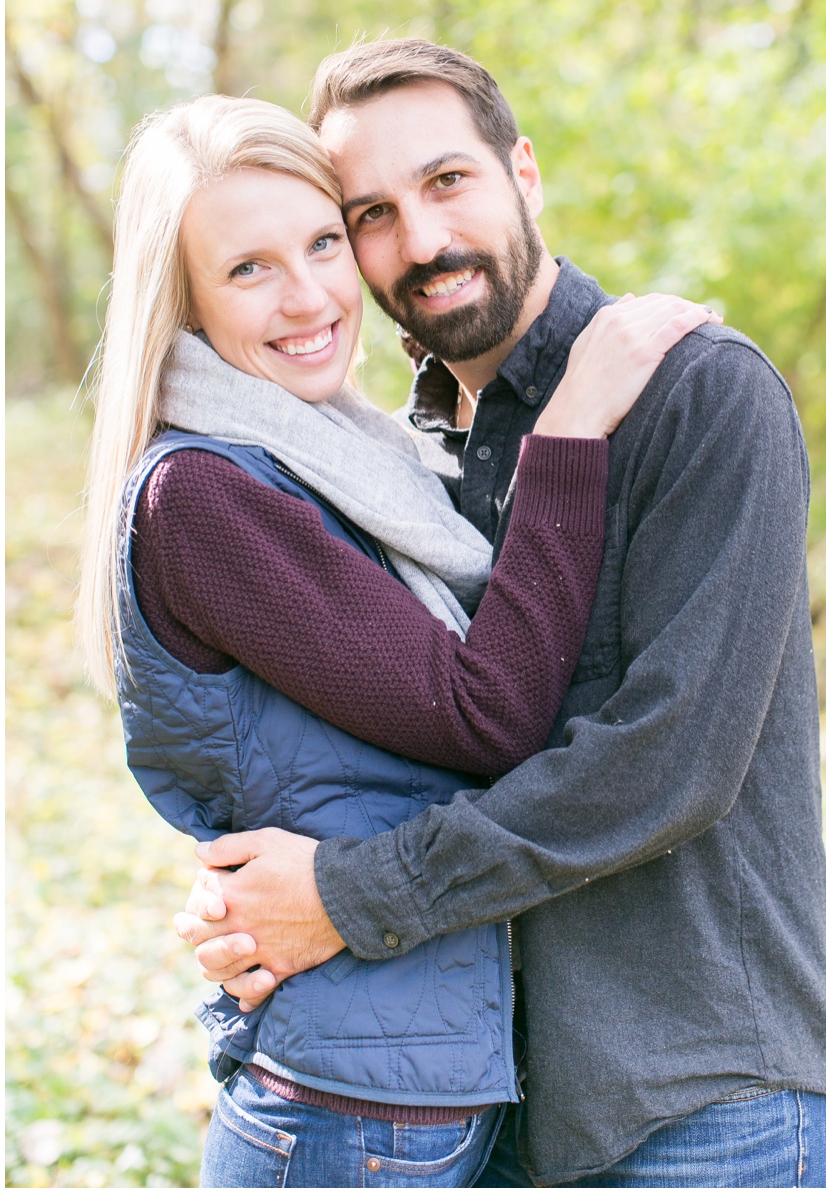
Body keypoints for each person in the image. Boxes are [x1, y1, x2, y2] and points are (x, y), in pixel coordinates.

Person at [168, 40, 826, 1187]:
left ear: (522, 173)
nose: (424, 240)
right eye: (373, 214)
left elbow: (669, 761)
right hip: (500, 1113)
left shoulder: (697, 394)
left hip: (708, 1101)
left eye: (449, 181)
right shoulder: (407, 459)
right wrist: (253, 894)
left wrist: (349, 896)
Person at [78, 95, 713, 1186]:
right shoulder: (206, 496)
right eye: (248, 269)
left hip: (408, 1085)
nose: (311, 294)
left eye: (323, 241)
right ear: (179, 300)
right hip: (347, 1108)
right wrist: (566, 429)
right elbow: (487, 712)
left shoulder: (338, 457)